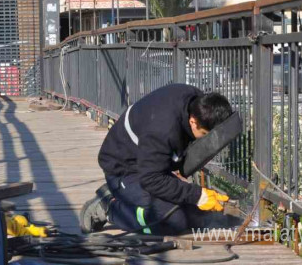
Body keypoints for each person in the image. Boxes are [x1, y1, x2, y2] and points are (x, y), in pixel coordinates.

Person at [80, 83, 235, 235]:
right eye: (204, 135)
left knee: (196, 216)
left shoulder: (195, 101)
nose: (204, 141)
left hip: (151, 164)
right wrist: (197, 195)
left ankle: (124, 196)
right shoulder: (162, 129)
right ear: (193, 122)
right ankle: (109, 206)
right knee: (172, 221)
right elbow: (151, 178)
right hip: (124, 169)